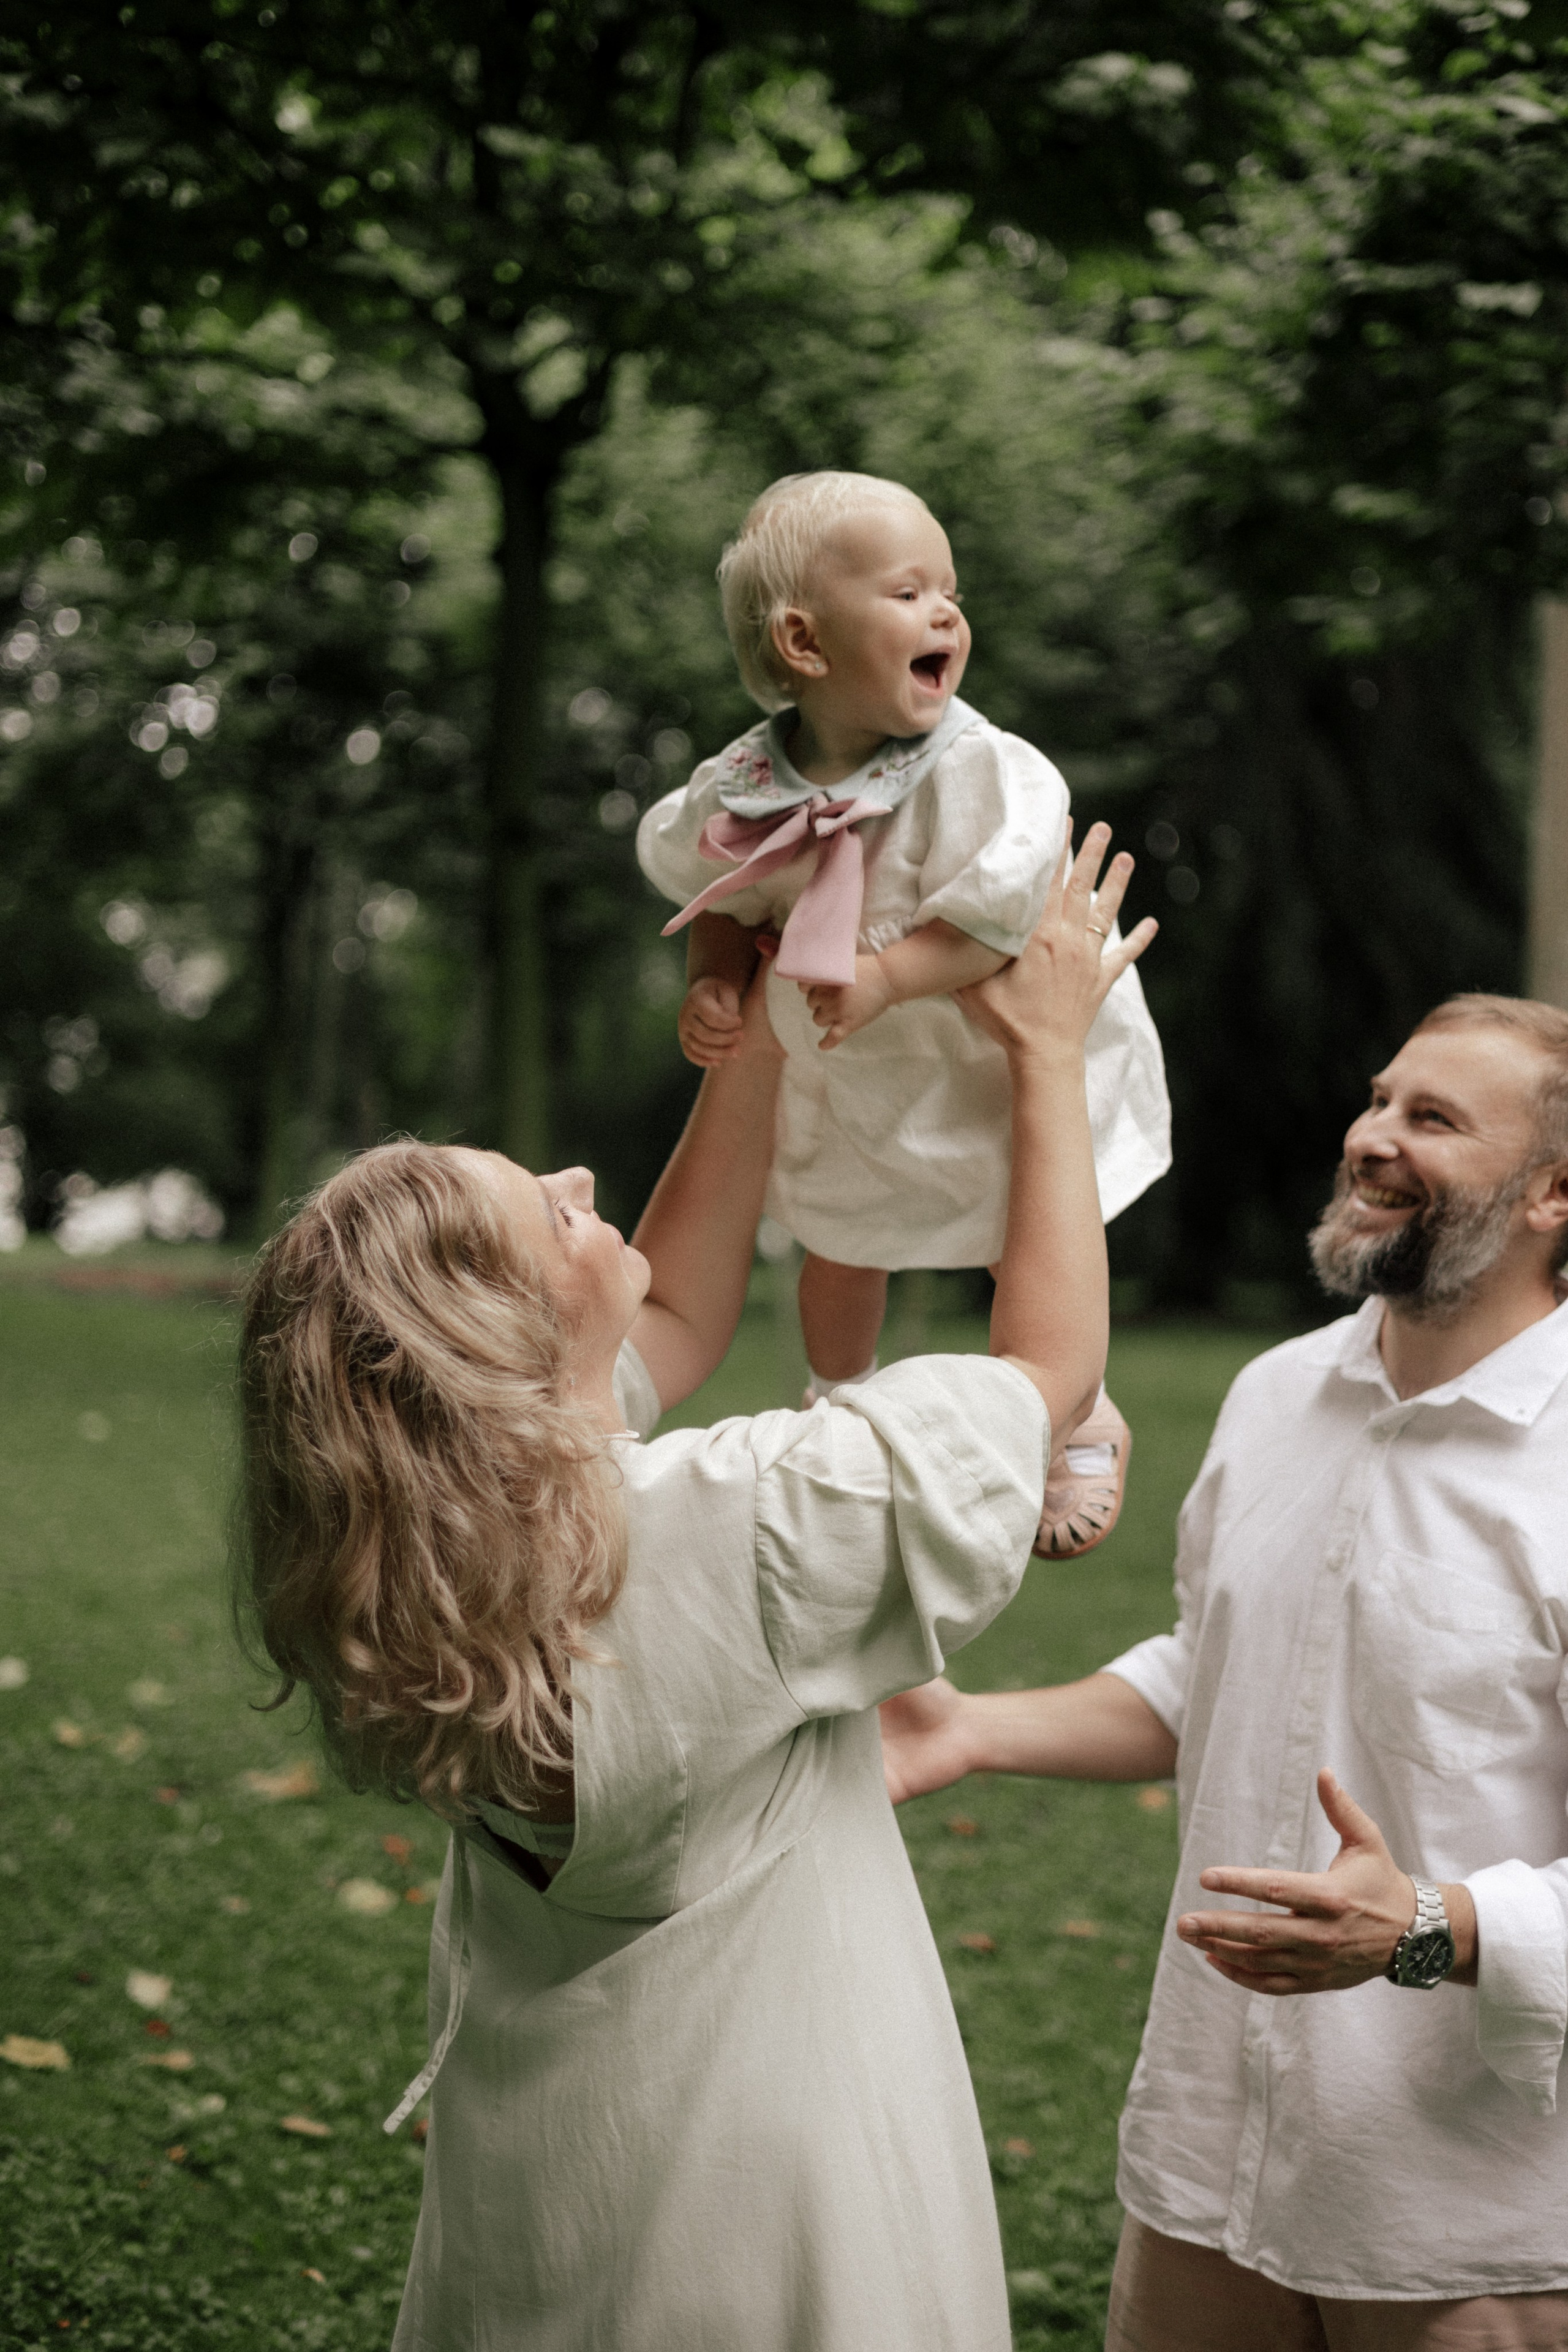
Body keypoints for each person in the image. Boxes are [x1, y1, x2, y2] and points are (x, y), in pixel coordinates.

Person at [235, 829, 1156, 2352]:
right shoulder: (735, 1530)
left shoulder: (457, 1549)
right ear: (499, 1336)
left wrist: (775, 1014)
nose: (578, 1176)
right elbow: (1045, 1374)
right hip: (775, 2199)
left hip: (564, 2178)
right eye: (545, 1207)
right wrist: (1046, 1053)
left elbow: (671, 1295)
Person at [880, 993, 1568, 2351]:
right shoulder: (1273, 1397)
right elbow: (1221, 1672)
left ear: (1553, 1195)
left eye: (1429, 1119)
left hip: (1460, 2220)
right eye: (1376, 1100)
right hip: (1204, 2169)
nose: (1369, 1138)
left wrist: (1427, 1925)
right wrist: (964, 1729)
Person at [636, 468, 1170, 1555]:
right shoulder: (744, 782)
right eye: (909, 592)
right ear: (804, 642)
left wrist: (887, 976)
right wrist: (712, 976)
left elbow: (1002, 911)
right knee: (840, 1235)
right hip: (857, 1065)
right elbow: (726, 891)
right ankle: (838, 1391)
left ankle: (1076, 1400)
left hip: (982, 1040)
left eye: (951, 592)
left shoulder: (980, 772)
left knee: (1029, 1214)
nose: (947, 614)